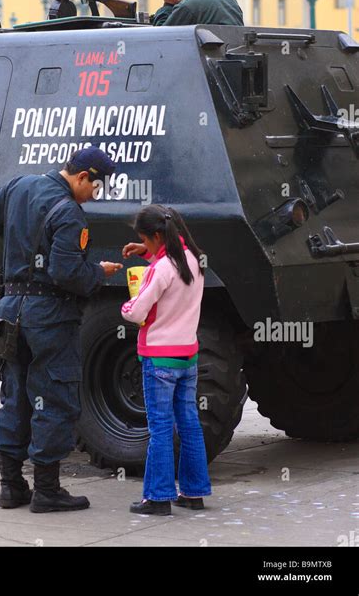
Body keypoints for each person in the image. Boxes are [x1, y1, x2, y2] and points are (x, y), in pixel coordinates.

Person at [0, 146, 122, 513]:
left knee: (16, 397)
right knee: (54, 399)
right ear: (83, 176)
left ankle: (11, 487)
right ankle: (47, 491)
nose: (95, 196)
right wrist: (97, 274)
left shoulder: (20, 186)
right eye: (97, 187)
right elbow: (66, 273)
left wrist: (18, 235)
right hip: (49, 316)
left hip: (9, 310)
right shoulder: (70, 214)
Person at [121, 205, 211, 515]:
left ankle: (157, 497)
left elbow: (136, 312)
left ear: (157, 236)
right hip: (187, 356)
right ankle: (193, 492)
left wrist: (126, 306)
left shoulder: (159, 270)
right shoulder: (193, 260)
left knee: (159, 429)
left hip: (159, 360)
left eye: (145, 239)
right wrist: (147, 253)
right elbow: (173, 274)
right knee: (189, 424)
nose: (143, 243)